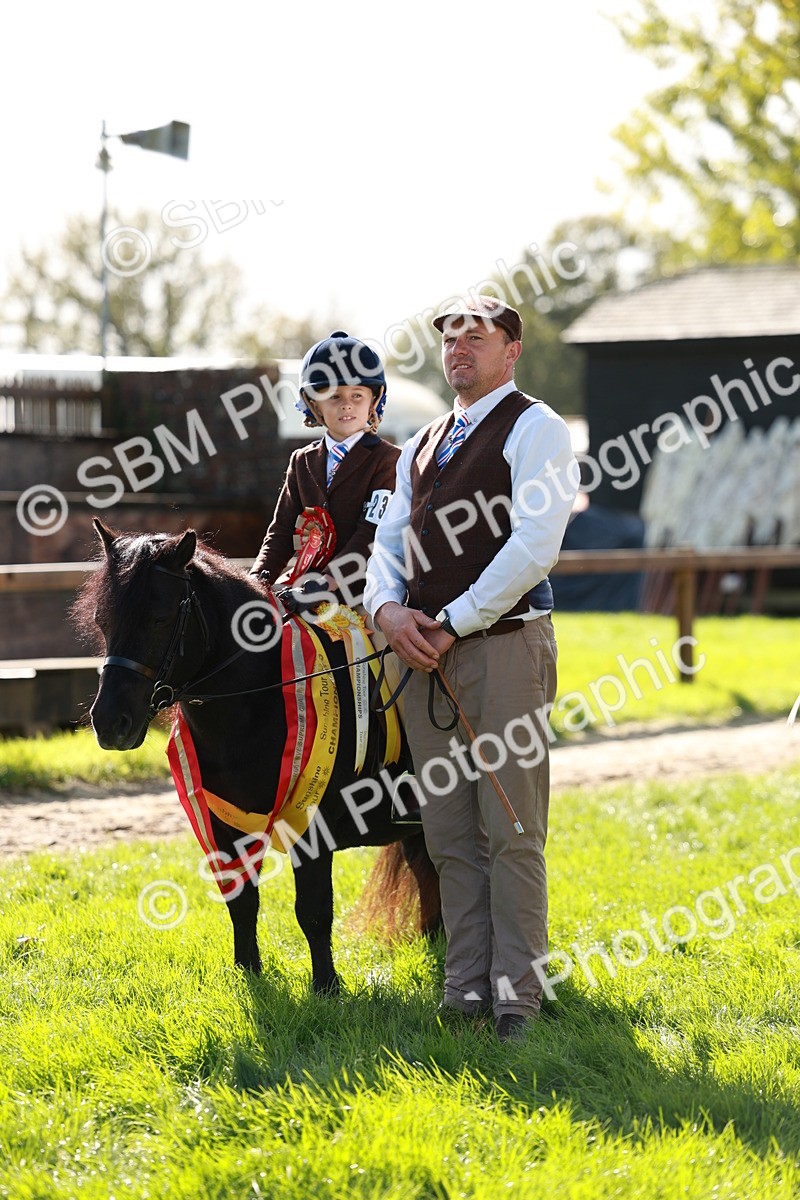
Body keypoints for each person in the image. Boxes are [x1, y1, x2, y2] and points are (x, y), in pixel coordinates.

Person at [364, 295, 578, 1040]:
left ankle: (517, 995)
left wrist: (453, 622)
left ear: (511, 349)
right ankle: (465, 990)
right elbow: (388, 546)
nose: (458, 349)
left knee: (511, 825)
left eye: (476, 337)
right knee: (450, 832)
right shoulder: (422, 439)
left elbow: (535, 546)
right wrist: (388, 614)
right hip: (420, 655)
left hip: (505, 648)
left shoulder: (536, 427)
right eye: (449, 338)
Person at [251, 331, 399, 604]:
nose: (346, 405)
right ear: (313, 403)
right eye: (333, 397)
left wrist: (327, 581)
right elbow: (281, 531)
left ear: (374, 401)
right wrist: (255, 582)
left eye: (357, 396)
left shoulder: (388, 460)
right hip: (305, 589)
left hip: (362, 594)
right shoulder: (301, 461)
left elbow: (371, 532)